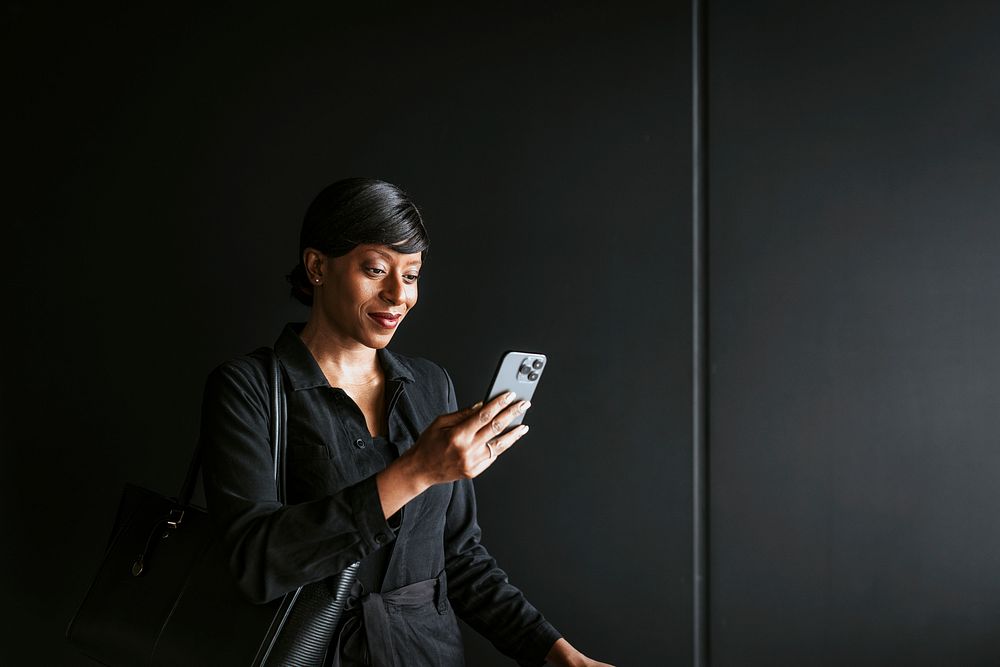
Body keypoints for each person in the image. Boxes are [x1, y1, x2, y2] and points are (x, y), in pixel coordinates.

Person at [198, 178, 612, 666]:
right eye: (375, 269)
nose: (397, 295)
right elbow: (255, 562)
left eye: (411, 275)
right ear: (317, 267)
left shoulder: (430, 386)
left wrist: (555, 654)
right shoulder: (247, 388)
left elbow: (457, 558)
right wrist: (417, 471)